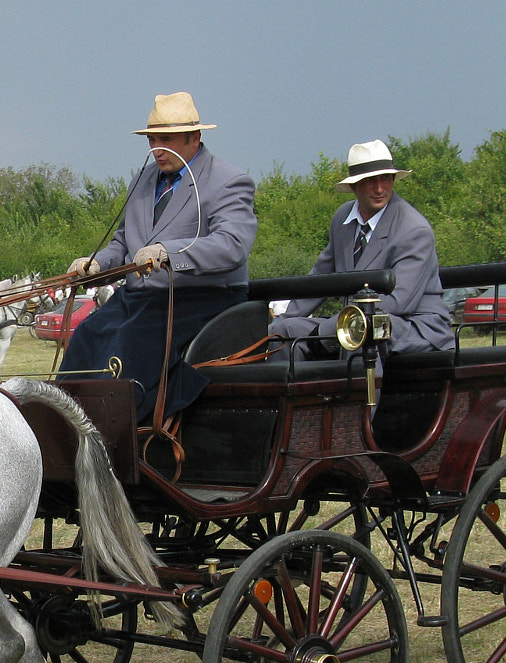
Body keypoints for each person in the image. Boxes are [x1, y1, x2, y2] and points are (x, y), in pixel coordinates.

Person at [60, 91, 257, 420]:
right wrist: (98, 264)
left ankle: (125, 438)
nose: (156, 150)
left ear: (194, 138)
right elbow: (124, 242)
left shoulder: (229, 181)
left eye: (166, 140)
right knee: (86, 335)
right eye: (152, 140)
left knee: (132, 341)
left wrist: (168, 253)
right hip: (141, 300)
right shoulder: (142, 180)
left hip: (200, 298)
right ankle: (69, 430)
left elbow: (232, 245)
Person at [269, 140, 453, 358]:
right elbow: (320, 279)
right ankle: (294, 392)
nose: (379, 188)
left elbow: (399, 302)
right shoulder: (342, 219)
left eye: (385, 179)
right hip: (356, 320)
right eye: (370, 181)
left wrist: (333, 326)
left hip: (416, 325)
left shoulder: (413, 229)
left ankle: (361, 393)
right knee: (282, 334)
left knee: (358, 332)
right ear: (354, 186)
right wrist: (285, 319)